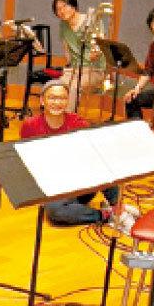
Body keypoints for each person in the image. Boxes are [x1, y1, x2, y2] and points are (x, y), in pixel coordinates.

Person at [19, 82, 133, 232]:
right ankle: (105, 215)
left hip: (79, 181)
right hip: (53, 185)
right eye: (52, 98)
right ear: (42, 100)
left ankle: (118, 208)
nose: (57, 103)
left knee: (101, 163)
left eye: (62, 98)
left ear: (67, 101)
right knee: (55, 211)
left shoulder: (78, 123)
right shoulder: (29, 126)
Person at [52, 0, 107, 113]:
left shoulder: (92, 21)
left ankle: (67, 120)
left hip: (94, 70)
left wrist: (96, 53)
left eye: (64, 6)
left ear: (74, 6)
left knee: (73, 87)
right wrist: (68, 69)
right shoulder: (63, 25)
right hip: (75, 69)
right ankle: (55, 117)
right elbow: (67, 51)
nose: (61, 11)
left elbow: (101, 47)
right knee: (55, 87)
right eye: (58, 9)